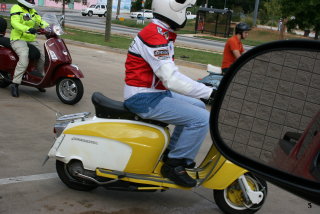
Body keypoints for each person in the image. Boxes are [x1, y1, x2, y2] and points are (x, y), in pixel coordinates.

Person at [123, 0, 215, 187]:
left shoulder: (160, 32)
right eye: (185, 10)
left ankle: (172, 152)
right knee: (202, 119)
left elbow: (171, 75)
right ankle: (174, 165)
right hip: (143, 97)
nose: (187, 15)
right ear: (172, 10)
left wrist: (204, 92)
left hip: (154, 93)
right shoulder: (154, 36)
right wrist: (208, 92)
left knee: (197, 105)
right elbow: (171, 80)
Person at [9, 0, 48, 97]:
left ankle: (38, 80)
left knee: (42, 58)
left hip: (30, 39)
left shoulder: (32, 10)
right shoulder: (16, 8)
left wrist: (49, 27)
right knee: (24, 56)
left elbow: (40, 20)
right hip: (18, 38)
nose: (32, 1)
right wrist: (27, 29)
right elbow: (15, 23)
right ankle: (15, 83)